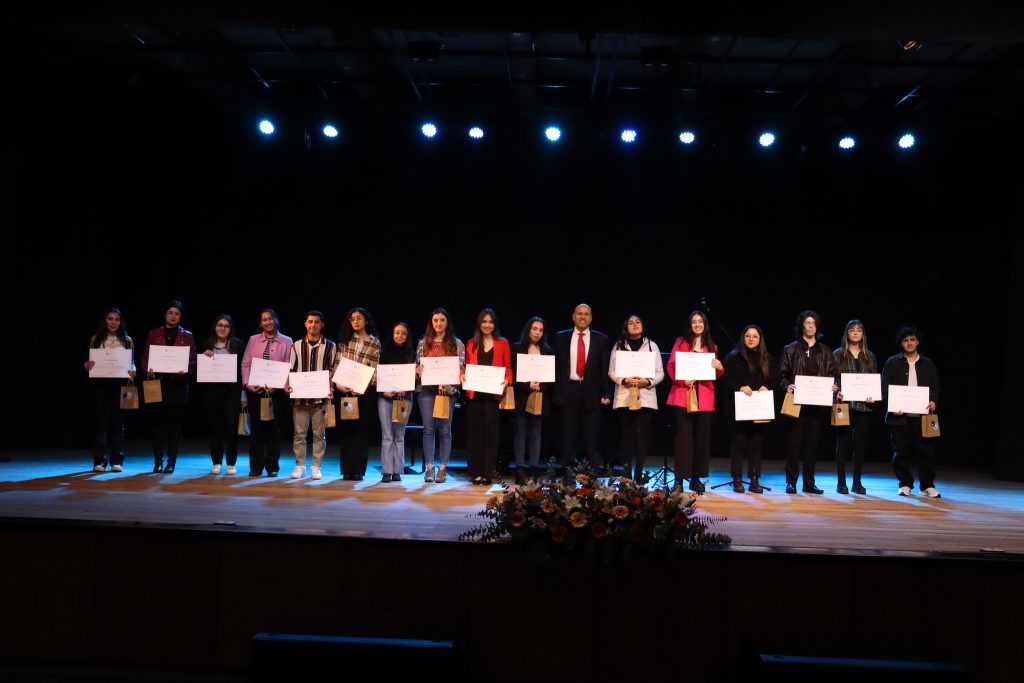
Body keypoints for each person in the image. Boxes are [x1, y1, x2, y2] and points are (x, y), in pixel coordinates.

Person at [779, 310, 838, 494]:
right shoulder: (790, 349)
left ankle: (809, 483)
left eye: (813, 323)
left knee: (812, 446)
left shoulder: (826, 351)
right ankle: (791, 482)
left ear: (817, 327)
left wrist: (833, 386)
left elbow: (832, 375)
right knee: (793, 445)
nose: (811, 326)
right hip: (796, 405)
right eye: (807, 323)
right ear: (801, 326)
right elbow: (781, 376)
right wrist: (787, 385)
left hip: (817, 406)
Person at [665, 310, 724, 493]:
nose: (697, 324)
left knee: (702, 440)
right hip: (683, 395)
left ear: (705, 325)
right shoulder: (681, 343)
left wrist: (720, 368)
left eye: (700, 321)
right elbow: (671, 366)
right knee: (683, 439)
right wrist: (683, 380)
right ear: (690, 325)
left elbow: (715, 375)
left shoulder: (712, 347)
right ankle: (679, 480)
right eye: (694, 321)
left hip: (704, 397)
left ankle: (696, 478)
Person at [881, 326, 942, 498]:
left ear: (918, 342)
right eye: (905, 340)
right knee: (901, 452)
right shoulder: (892, 363)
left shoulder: (928, 364)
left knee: (927, 452)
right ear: (901, 343)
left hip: (923, 417)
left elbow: (935, 388)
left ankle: (927, 485)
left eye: (912, 340)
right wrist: (893, 406)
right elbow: (884, 389)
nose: (909, 343)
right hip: (899, 417)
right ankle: (905, 484)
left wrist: (933, 401)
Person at [552, 304, 612, 471]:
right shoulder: (561, 337)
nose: (583, 317)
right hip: (568, 390)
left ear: (591, 318)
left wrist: (608, 392)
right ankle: (568, 470)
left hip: (592, 390)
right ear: (573, 316)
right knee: (568, 433)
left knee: (592, 433)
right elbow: (555, 365)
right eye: (579, 313)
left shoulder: (601, 339)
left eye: (586, 314)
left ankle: (592, 471)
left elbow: (604, 367)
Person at [141, 300, 197, 474]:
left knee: (174, 426)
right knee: (157, 425)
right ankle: (158, 461)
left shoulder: (187, 335)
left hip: (178, 385)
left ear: (181, 316)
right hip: (157, 384)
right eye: (170, 313)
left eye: (177, 314)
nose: (173, 316)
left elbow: (193, 360)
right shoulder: (154, 333)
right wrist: (147, 370)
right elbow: (145, 358)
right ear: (165, 314)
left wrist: (185, 369)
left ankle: (171, 462)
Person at [608, 314, 665, 481]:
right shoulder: (619, 345)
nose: (634, 325)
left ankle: (639, 475)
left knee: (641, 435)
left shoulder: (651, 346)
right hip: (625, 396)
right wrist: (624, 380)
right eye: (631, 323)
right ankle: (626, 475)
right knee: (626, 435)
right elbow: (612, 371)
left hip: (645, 396)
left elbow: (660, 372)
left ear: (642, 325)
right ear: (626, 327)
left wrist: (647, 382)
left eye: (637, 322)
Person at [722, 324, 777, 493]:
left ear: (760, 339)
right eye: (748, 336)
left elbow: (774, 380)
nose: (751, 339)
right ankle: (737, 479)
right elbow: (725, 379)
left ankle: (754, 479)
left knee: (755, 444)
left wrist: (767, 387)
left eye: (755, 336)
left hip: (758, 409)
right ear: (743, 337)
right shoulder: (733, 357)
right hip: (737, 408)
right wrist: (740, 387)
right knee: (738, 443)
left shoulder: (767, 358)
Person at [415, 307, 465, 484]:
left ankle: (442, 468)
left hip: (447, 393)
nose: (438, 323)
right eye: (435, 320)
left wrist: (448, 384)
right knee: (428, 429)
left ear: (447, 322)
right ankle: (430, 468)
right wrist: (418, 370)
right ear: (431, 322)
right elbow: (417, 366)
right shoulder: (423, 343)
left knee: (445, 431)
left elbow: (460, 369)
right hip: (426, 391)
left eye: (442, 320)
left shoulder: (457, 344)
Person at [463, 308, 513, 486]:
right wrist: (462, 375)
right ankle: (475, 473)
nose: (487, 325)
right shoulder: (471, 343)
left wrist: (507, 380)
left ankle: (488, 473)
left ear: (495, 324)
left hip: (493, 396)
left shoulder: (503, 343)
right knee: (475, 434)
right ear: (479, 323)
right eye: (484, 321)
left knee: (491, 434)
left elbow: (508, 368)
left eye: (490, 322)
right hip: (475, 395)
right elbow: (466, 366)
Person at [83, 307, 136, 472]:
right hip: (101, 385)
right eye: (110, 318)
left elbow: (132, 362)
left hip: (121, 386)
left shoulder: (127, 340)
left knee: (118, 424)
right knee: (100, 423)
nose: (113, 322)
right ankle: (99, 461)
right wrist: (87, 365)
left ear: (121, 322)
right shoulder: (96, 339)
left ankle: (116, 460)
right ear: (105, 320)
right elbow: (89, 362)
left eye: (117, 319)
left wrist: (133, 371)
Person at [241, 308, 293, 477]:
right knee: (256, 431)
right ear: (260, 323)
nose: (268, 322)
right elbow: (246, 364)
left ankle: (272, 467)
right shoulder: (253, 339)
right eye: (264, 319)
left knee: (273, 431)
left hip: (276, 393)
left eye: (270, 318)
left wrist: (278, 386)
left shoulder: (287, 341)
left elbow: (289, 366)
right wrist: (247, 384)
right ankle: (256, 467)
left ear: (276, 320)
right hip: (255, 391)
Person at [288, 310, 336, 480]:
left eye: (316, 322)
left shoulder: (330, 345)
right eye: (310, 321)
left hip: (321, 398)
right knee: (299, 434)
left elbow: (332, 370)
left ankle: (316, 466)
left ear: (322, 325)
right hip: (300, 398)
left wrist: (331, 389)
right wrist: (288, 384)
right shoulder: (296, 345)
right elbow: (291, 369)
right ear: (305, 324)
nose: (313, 325)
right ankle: (300, 465)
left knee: (319, 434)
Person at [335, 307, 380, 481]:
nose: (355, 321)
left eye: (359, 318)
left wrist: (363, 386)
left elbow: (375, 370)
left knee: (362, 431)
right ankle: (347, 469)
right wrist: (339, 384)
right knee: (347, 431)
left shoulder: (374, 342)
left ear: (366, 321)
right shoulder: (345, 340)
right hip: (346, 392)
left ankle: (359, 470)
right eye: (352, 318)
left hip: (365, 393)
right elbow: (337, 365)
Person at [833, 319, 878, 494]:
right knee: (843, 442)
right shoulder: (837, 354)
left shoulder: (869, 356)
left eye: (859, 329)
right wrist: (837, 393)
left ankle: (857, 482)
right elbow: (833, 380)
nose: (855, 332)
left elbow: (874, 380)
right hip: (844, 405)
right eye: (852, 329)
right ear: (847, 333)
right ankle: (841, 482)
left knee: (859, 444)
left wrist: (873, 396)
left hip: (864, 406)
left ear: (863, 334)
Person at [509, 317, 554, 484]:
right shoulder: (517, 348)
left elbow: (551, 377)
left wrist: (541, 385)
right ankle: (520, 469)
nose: (537, 332)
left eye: (541, 330)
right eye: (534, 329)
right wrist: (528, 385)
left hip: (539, 396)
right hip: (521, 396)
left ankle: (534, 469)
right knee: (520, 432)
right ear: (528, 329)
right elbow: (513, 374)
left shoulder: (547, 350)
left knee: (536, 432)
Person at [200, 315, 245, 475]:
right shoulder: (208, 344)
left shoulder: (238, 345)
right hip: (213, 390)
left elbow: (243, 369)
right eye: (220, 325)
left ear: (230, 329)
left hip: (232, 391)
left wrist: (243, 394)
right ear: (215, 327)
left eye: (226, 326)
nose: (223, 328)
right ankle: (216, 462)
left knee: (232, 427)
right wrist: (204, 358)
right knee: (215, 426)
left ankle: (231, 463)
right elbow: (201, 369)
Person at [377, 322, 416, 483]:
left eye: (403, 333)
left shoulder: (412, 355)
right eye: (397, 332)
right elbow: (377, 375)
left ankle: (398, 471)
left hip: (404, 399)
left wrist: (407, 388)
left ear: (407, 336)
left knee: (399, 436)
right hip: (385, 398)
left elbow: (415, 379)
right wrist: (384, 391)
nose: (400, 336)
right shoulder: (383, 353)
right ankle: (387, 471)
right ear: (392, 334)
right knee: (387, 435)